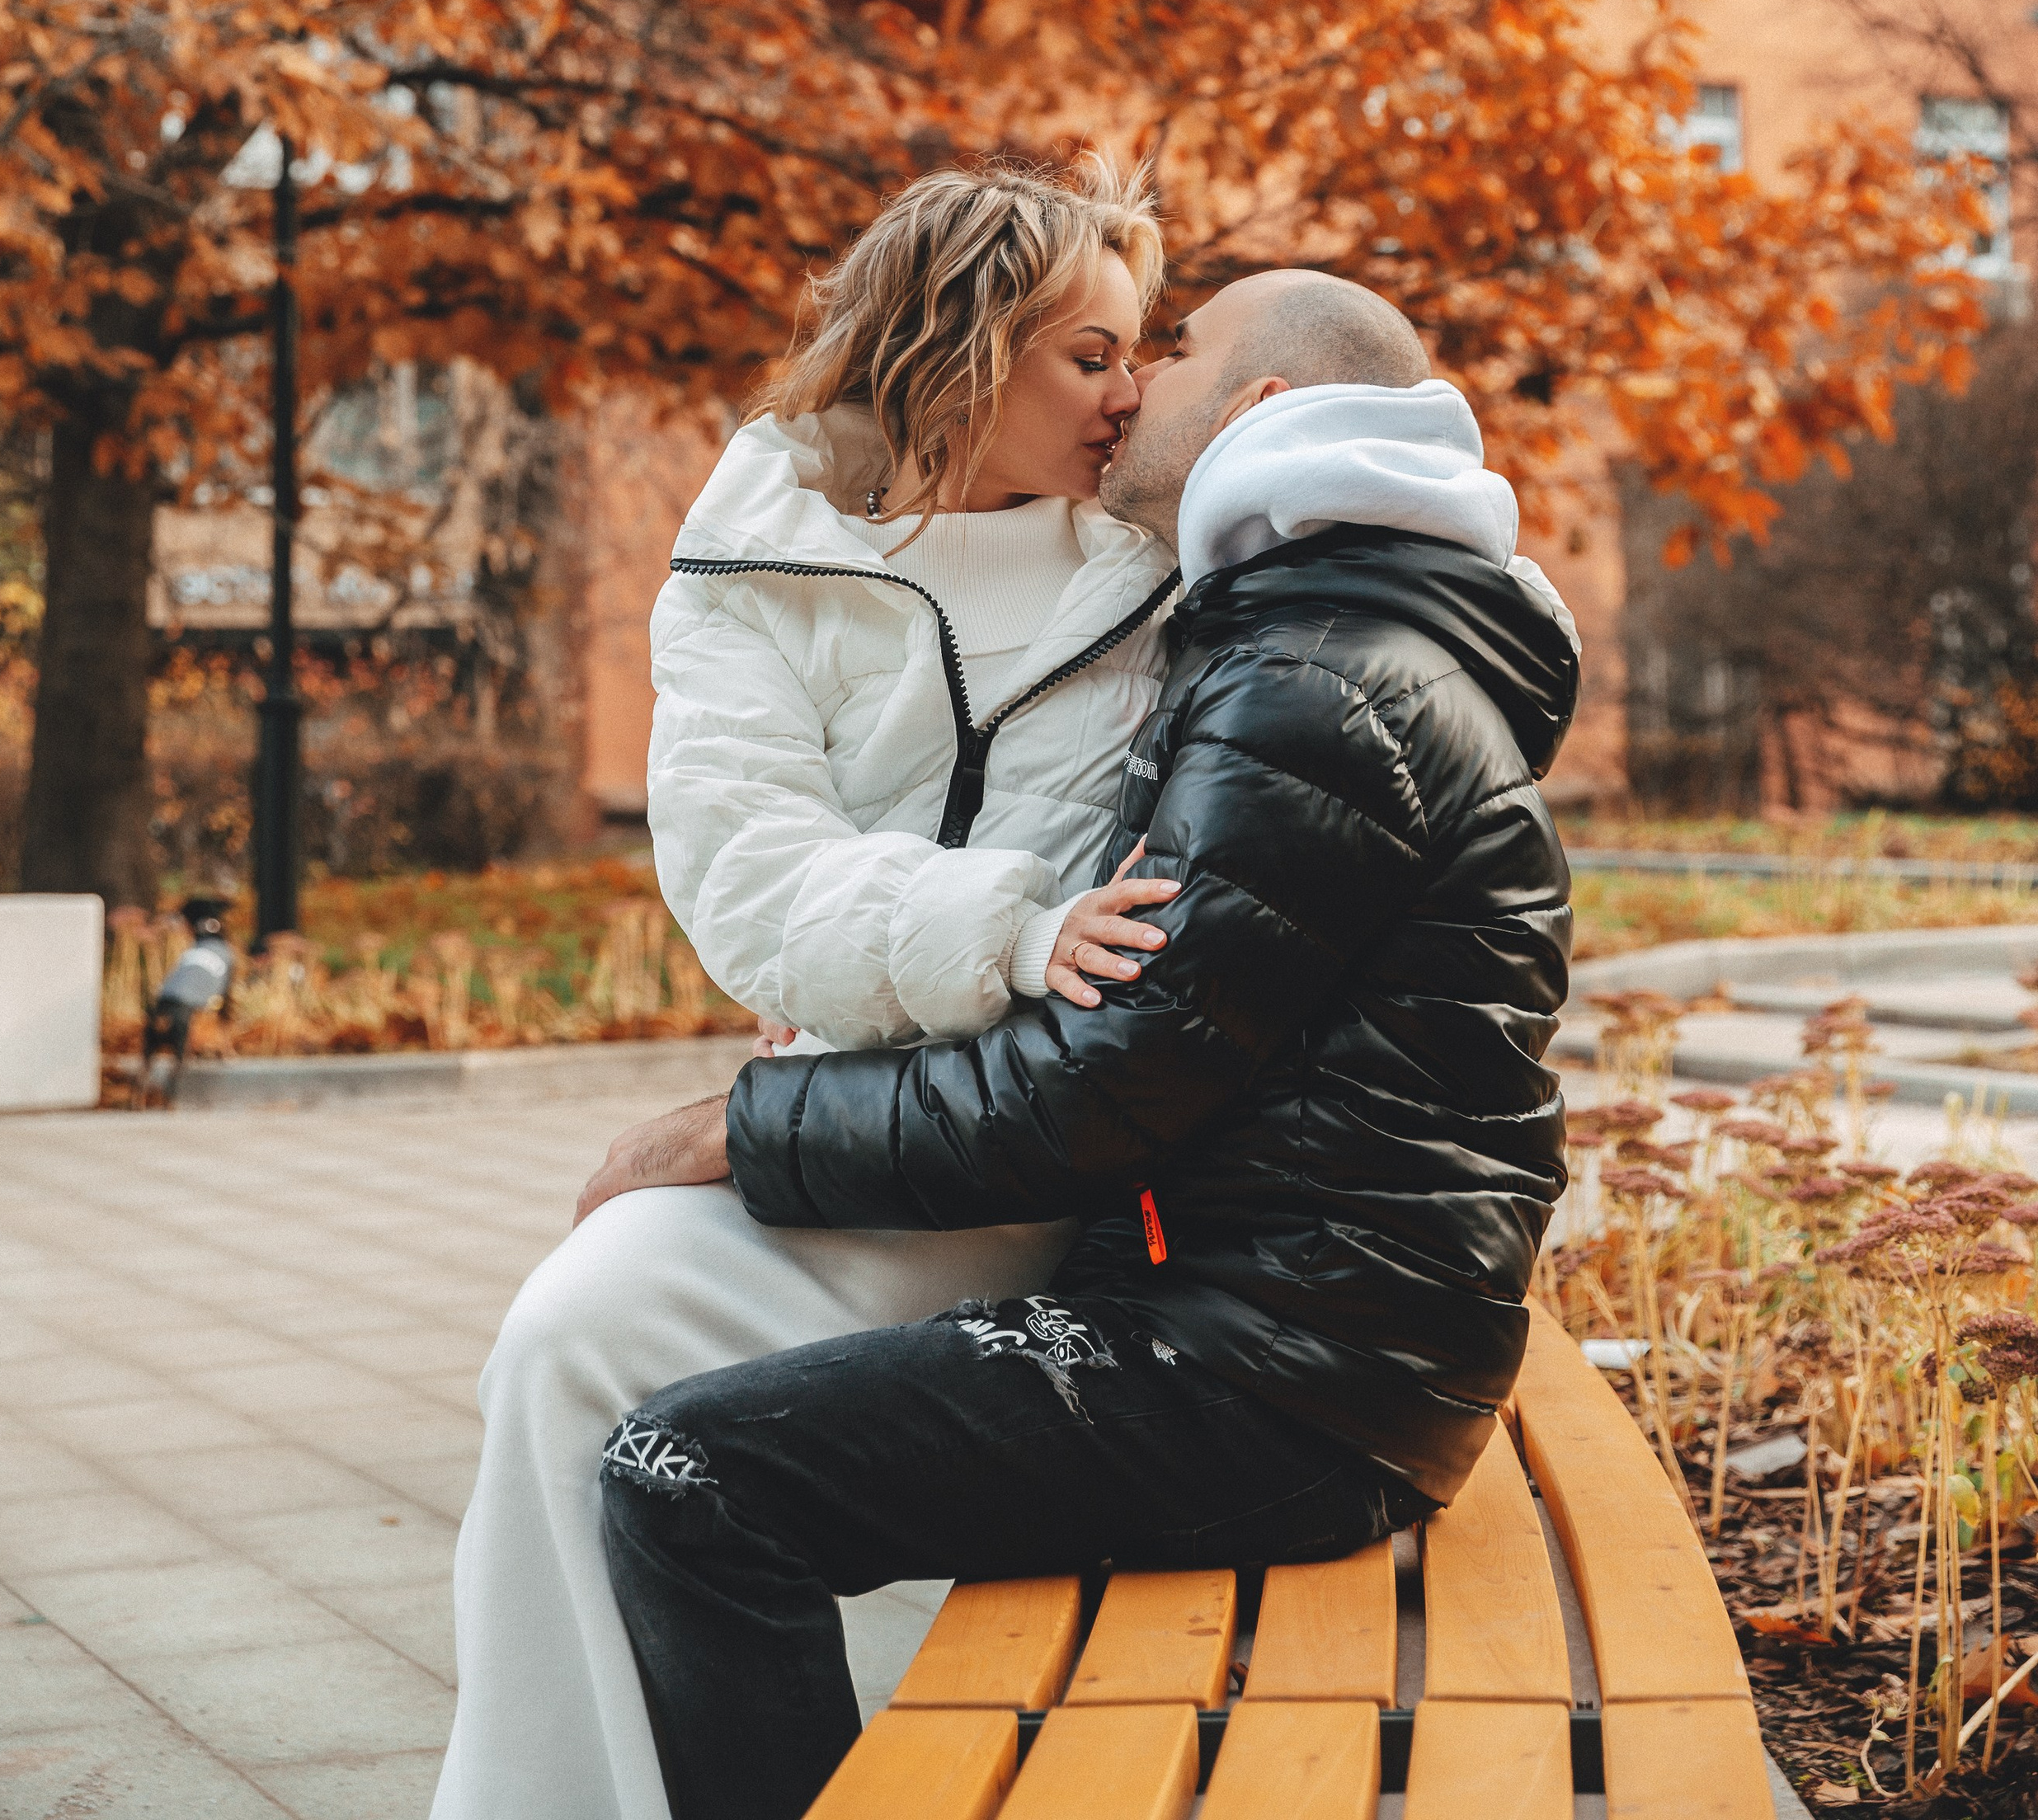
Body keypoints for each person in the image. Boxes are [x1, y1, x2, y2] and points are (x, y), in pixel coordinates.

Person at [581, 267, 1581, 1820]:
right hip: (1321, 1341)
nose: (1133, 387)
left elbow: (1093, 1093)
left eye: (1172, 352)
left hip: (1284, 1381)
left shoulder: (1315, 683)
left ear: (1256, 413)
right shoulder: (1317, 639)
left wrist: (741, 1126)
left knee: (694, 1481)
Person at [431, 158, 1184, 1820]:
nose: (1131, 395)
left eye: (1139, 354)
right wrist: (997, 930)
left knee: (623, 1357)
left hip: (1018, 1157)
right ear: (955, 348)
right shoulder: (753, 554)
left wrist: (873, 1019)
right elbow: (747, 871)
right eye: (1087, 355)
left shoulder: (1157, 558)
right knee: (566, 1336)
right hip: (848, 1118)